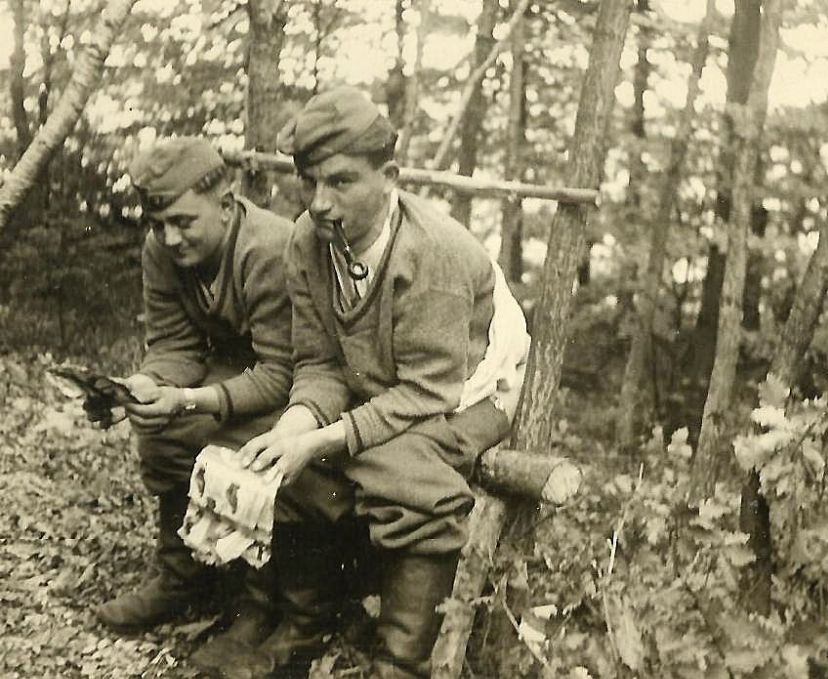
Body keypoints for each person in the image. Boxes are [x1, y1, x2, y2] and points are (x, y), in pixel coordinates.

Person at [231, 85, 530, 678]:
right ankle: (303, 627)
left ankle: (401, 661)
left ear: (389, 177)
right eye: (309, 182)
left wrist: (323, 439)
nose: (321, 202)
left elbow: (428, 392)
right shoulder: (307, 242)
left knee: (404, 472)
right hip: (385, 378)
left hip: (469, 392)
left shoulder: (434, 253)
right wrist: (294, 429)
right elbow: (319, 363)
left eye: (341, 182)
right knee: (281, 457)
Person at [94, 137, 354, 673]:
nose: (170, 237)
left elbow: (284, 370)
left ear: (226, 203)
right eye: (158, 224)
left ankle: (270, 608)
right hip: (233, 370)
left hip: (301, 380)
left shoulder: (270, 249)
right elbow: (174, 345)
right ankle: (183, 576)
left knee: (256, 454)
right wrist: (144, 386)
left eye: (183, 222)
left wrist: (191, 400)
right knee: (162, 432)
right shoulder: (162, 251)